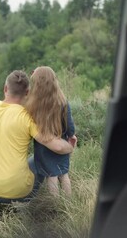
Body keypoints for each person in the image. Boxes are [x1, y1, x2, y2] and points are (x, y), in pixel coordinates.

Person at [0, 71, 74, 218]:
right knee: (38, 158)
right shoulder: (27, 117)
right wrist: (70, 145)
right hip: (19, 193)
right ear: (27, 92)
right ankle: (21, 206)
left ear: (5, 89)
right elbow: (57, 146)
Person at [25, 66, 77, 196]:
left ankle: (55, 204)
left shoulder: (33, 104)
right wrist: (71, 136)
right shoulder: (63, 102)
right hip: (62, 142)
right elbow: (70, 126)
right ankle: (68, 203)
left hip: (44, 146)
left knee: (51, 177)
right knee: (64, 175)